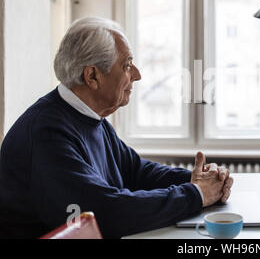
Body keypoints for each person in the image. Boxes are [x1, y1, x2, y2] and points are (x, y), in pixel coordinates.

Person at [0, 17, 233, 239]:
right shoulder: (47, 133)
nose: (137, 75)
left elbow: (135, 172)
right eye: (127, 65)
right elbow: (106, 212)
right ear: (92, 75)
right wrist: (197, 193)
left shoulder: (89, 117)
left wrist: (200, 179)